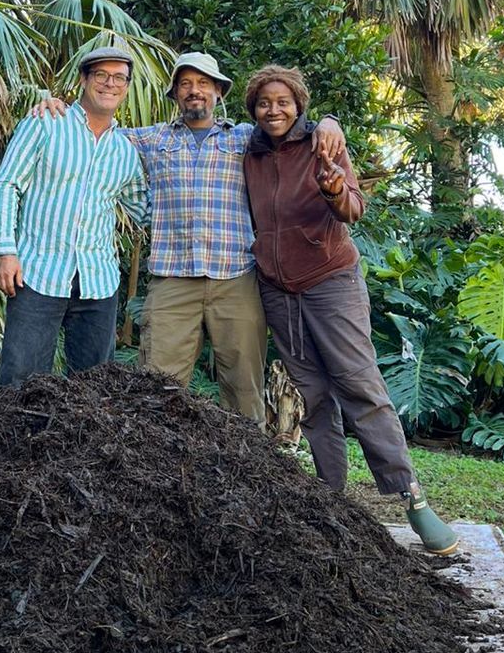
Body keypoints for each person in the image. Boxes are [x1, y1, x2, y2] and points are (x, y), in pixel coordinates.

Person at [33, 50, 345, 421]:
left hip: (235, 277)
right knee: (155, 391)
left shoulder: (245, 138)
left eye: (203, 83)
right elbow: (97, 132)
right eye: (185, 84)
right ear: (176, 94)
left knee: (244, 388)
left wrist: (330, 121)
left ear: (218, 92)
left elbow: (290, 130)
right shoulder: (152, 139)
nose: (194, 90)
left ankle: (246, 457)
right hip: (172, 280)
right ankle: (152, 457)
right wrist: (55, 105)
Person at [242, 64, 459, 554]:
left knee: (361, 387)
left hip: (330, 283)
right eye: (264, 103)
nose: (273, 110)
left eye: (283, 102)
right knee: (313, 397)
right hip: (278, 291)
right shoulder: (247, 151)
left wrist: (335, 186)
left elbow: (353, 209)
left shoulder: (323, 144)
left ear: (299, 106)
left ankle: (413, 499)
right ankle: (331, 500)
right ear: (253, 109)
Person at [0, 46, 148, 387]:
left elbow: (144, 210)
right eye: (101, 75)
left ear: (126, 86)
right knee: (21, 384)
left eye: (119, 78)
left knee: (94, 389)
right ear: (84, 80)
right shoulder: (45, 123)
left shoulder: (125, 151)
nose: (110, 84)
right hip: (36, 274)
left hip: (98, 283)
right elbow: (7, 185)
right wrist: (6, 250)